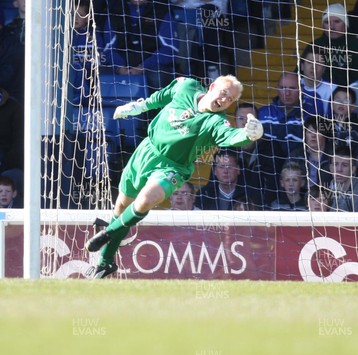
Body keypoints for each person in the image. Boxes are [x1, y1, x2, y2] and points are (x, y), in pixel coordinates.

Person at [84, 75, 263, 278]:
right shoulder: (186, 86)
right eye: (223, 93)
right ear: (212, 87)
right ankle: (105, 263)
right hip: (146, 152)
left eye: (230, 99)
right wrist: (139, 107)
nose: (224, 100)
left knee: (145, 201)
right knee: (122, 207)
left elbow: (232, 137)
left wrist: (248, 135)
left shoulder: (216, 122)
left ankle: (108, 233)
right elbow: (164, 95)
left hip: (173, 167)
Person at [107, 0, 179, 91]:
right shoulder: (114, 11)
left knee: (157, 77)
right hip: (121, 65)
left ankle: (157, 105)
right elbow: (107, 49)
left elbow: (170, 49)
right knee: (100, 74)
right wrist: (119, 67)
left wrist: (143, 67)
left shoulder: (162, 11)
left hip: (152, 65)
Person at [310, 2, 358, 86]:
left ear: (346, 24)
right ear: (323, 26)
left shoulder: (356, 46)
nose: (332, 27)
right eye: (327, 22)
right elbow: (299, 74)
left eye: (337, 21)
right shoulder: (314, 46)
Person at [195, 148, 264, 210]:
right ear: (214, 171)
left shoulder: (251, 195)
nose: (225, 171)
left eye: (229, 167)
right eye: (222, 167)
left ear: (238, 170)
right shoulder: (204, 195)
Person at [258, 72, 304, 158]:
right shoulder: (262, 113)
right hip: (267, 165)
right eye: (283, 88)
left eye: (292, 88)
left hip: (298, 165)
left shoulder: (310, 114)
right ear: (277, 90)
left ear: (301, 89)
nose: (287, 93)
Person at [327, 146, 358, 212]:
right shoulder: (329, 186)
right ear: (330, 168)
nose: (339, 169)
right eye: (335, 164)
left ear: (353, 169)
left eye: (345, 165)